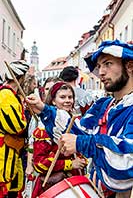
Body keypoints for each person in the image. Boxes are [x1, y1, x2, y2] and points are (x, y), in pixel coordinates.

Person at [59, 39, 133, 198]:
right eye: (99, 66)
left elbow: (128, 158)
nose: (101, 72)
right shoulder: (104, 105)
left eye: (107, 64)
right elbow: (80, 131)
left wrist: (82, 143)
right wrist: (45, 111)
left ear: (130, 66)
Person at [27, 81, 87, 198]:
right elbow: (39, 164)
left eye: (70, 97)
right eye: (62, 97)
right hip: (54, 186)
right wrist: (70, 164)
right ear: (53, 100)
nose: (67, 100)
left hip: (75, 180)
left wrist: (82, 159)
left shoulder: (77, 123)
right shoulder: (44, 128)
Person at [0, 60, 29, 198]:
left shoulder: (12, 95)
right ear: (20, 78)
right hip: (5, 151)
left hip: (13, 150)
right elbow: (16, 126)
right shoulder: (5, 95)